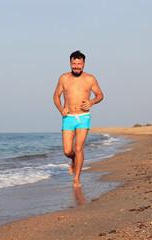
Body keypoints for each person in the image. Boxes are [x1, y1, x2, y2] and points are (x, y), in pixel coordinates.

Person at [53, 50, 104, 188]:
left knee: (79, 147)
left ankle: (76, 179)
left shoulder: (90, 79)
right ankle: (73, 159)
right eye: (74, 64)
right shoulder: (64, 78)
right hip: (68, 117)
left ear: (84, 64)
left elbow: (100, 95)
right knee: (68, 151)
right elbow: (56, 96)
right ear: (70, 64)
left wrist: (92, 102)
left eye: (79, 64)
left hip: (83, 116)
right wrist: (61, 109)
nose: (76, 67)